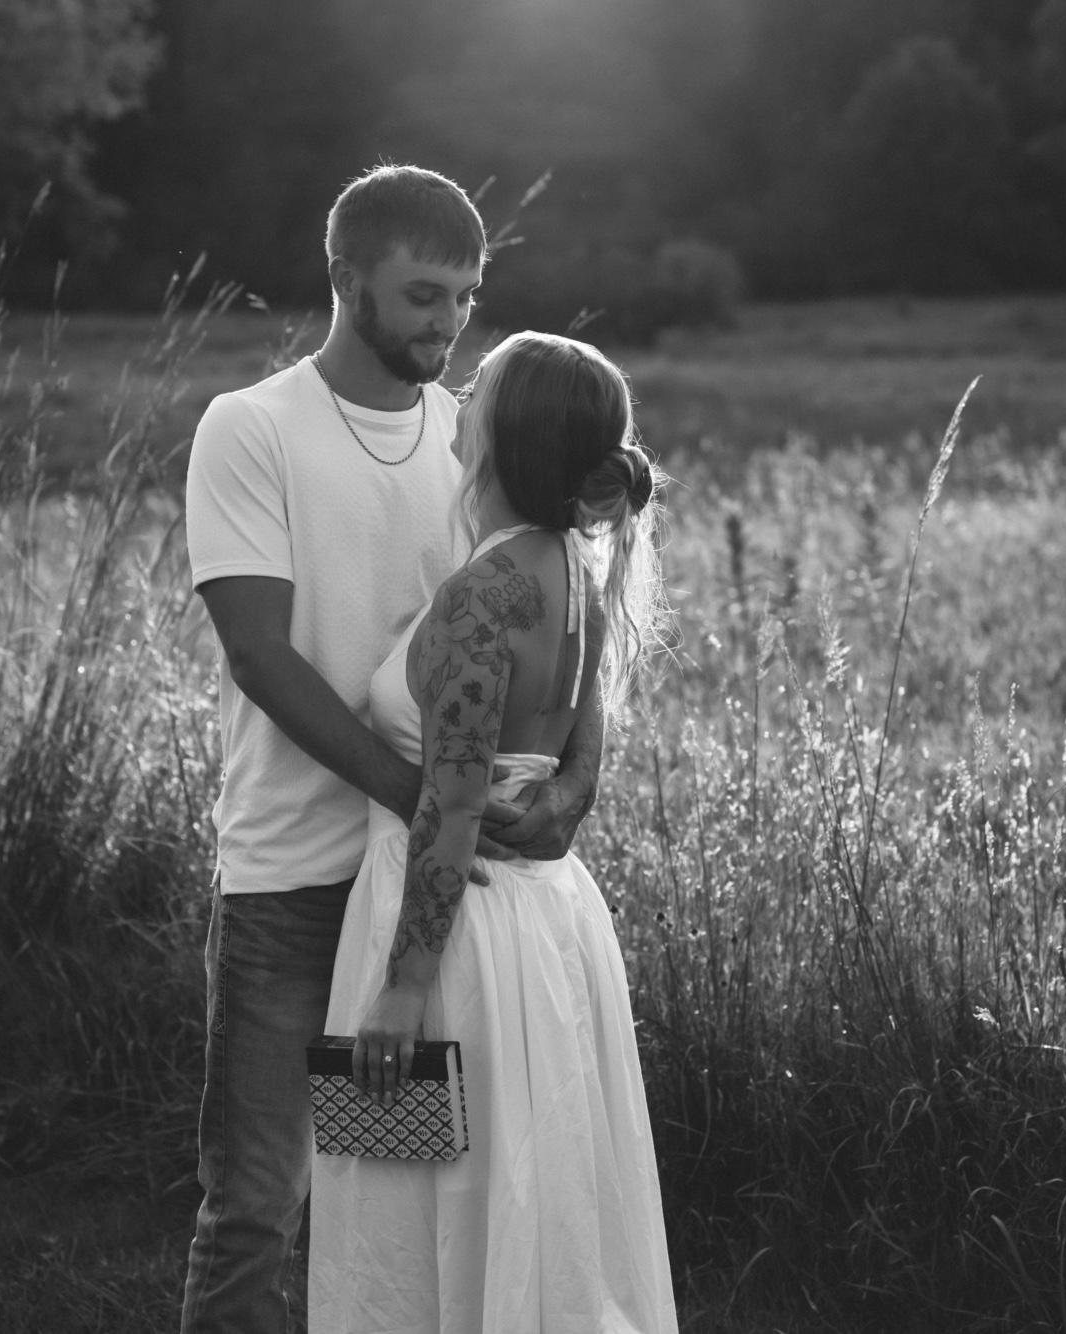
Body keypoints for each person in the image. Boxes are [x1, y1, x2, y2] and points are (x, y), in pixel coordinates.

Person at [181, 168, 601, 1334]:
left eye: (465, 297)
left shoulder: (473, 439)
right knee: (258, 1199)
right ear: (343, 276)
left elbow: (562, 605)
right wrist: (424, 799)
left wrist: (573, 781)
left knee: (395, 1206)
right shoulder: (251, 427)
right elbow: (260, 655)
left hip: (415, 897)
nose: (448, 323)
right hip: (289, 879)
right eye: (423, 295)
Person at [308, 332, 679, 1333]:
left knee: (416, 1203)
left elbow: (455, 801)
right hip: (542, 922)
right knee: (516, 1196)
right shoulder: (572, 565)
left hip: (460, 938)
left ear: (507, 435)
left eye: (478, 389)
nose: (460, 397)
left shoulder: (486, 594)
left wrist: (401, 988)